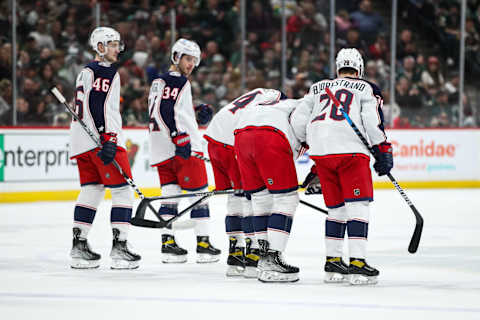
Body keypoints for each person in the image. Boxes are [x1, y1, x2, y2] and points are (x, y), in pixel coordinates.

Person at [291, 48, 393, 285]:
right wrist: (382, 149)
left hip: (321, 155)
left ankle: (333, 263)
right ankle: (357, 264)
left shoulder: (317, 88)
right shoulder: (367, 88)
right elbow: (371, 121)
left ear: (337, 67)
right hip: (350, 153)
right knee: (358, 206)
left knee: (336, 209)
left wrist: (309, 142)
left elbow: (298, 120)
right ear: (360, 68)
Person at [69, 27, 141, 269]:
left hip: (82, 142)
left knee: (92, 189)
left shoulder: (86, 71)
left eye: (117, 44)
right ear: (99, 47)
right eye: (112, 44)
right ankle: (120, 247)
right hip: (101, 140)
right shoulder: (105, 71)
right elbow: (98, 105)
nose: (117, 49)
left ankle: (79, 246)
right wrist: (109, 137)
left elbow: (89, 104)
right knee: (122, 192)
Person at [147, 38, 220, 264]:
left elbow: (168, 108)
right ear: (176, 57)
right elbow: (165, 109)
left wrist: (194, 110)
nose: (191, 64)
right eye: (187, 59)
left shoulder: (160, 81)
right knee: (200, 196)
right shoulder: (177, 81)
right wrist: (179, 135)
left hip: (161, 148)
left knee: (170, 195)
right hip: (182, 148)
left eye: (194, 61)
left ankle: (167, 243)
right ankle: (203, 244)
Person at [204, 88, 286, 278]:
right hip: (232, 142)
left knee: (235, 196)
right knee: (251, 196)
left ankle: (235, 255)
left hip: (213, 140)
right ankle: (252, 255)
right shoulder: (276, 102)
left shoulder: (258, 92)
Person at [233, 96, 307, 283]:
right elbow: (304, 131)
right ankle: (273, 257)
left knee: (260, 199)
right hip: (269, 137)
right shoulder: (308, 104)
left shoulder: (275, 103)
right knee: (287, 199)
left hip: (241, 137)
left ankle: (263, 257)